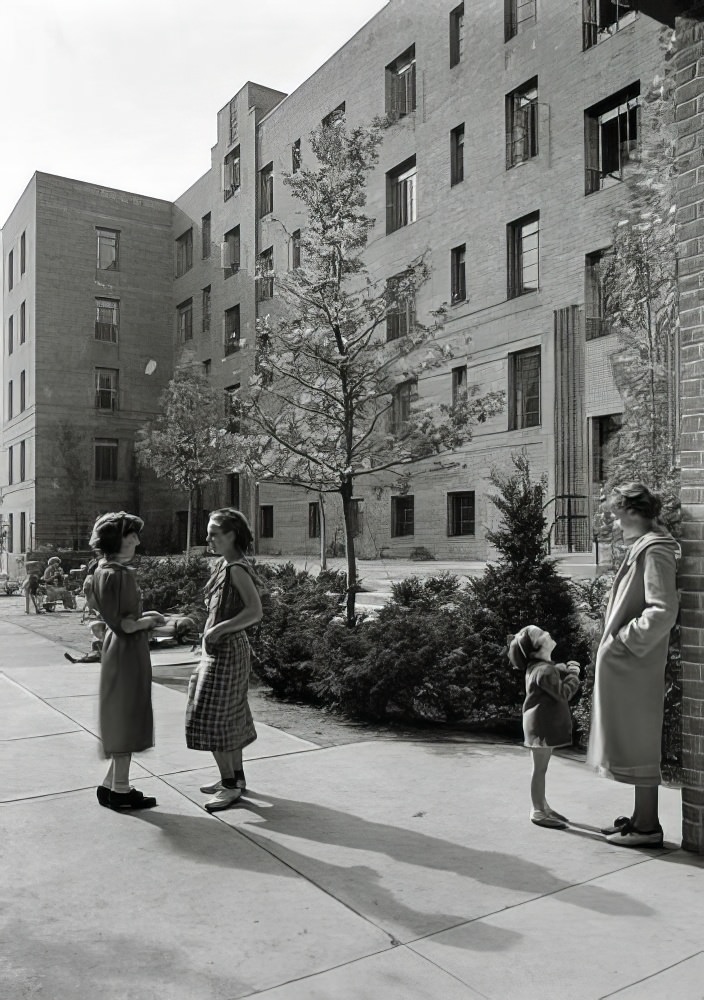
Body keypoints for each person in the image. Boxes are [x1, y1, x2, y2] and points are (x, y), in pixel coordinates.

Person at [588, 483, 680, 848]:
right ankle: (643, 818)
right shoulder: (646, 547)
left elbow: (663, 610)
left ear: (629, 512)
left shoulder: (655, 551)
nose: (611, 521)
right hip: (631, 667)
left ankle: (647, 827)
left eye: (614, 513)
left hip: (636, 666)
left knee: (639, 743)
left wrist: (624, 642)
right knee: (634, 742)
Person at [186, 508, 263, 812]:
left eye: (215, 533)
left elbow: (255, 611)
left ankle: (230, 786)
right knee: (229, 716)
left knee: (213, 718)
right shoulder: (226, 565)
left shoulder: (236, 570)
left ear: (231, 535)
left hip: (227, 651)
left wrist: (219, 629)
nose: (208, 539)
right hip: (220, 651)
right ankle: (235, 779)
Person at [90, 512, 165, 811]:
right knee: (128, 716)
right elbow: (129, 625)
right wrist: (152, 620)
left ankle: (111, 785)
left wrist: (143, 620)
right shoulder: (120, 574)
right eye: (130, 534)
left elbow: (114, 618)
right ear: (115, 539)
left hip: (114, 646)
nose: (137, 540)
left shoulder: (101, 570)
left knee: (121, 712)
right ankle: (121, 790)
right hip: (128, 648)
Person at [508, 625, 581, 830]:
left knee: (541, 768)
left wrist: (560, 669)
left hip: (538, 725)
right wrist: (574, 675)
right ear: (536, 649)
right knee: (539, 769)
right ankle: (537, 810)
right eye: (541, 634)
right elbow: (564, 693)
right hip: (541, 727)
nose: (547, 633)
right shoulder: (545, 671)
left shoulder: (540, 668)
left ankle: (543, 805)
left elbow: (548, 676)